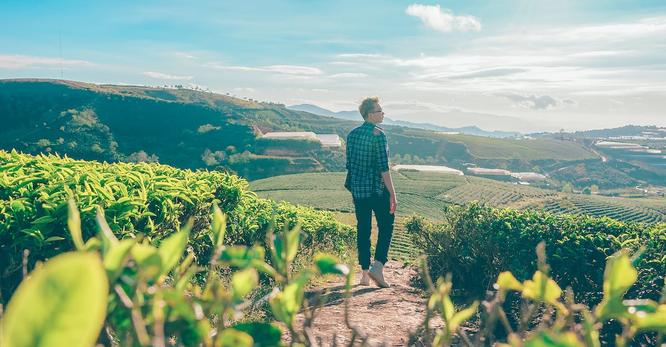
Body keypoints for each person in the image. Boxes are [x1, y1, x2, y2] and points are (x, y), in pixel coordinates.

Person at [344, 97, 397, 288]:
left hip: (359, 191)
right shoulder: (378, 135)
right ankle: (379, 267)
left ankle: (365, 275)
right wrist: (392, 193)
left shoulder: (351, 135)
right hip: (377, 189)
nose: (382, 113)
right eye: (379, 110)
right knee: (387, 226)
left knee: (363, 229)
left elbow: (349, 164)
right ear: (370, 114)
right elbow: (384, 169)